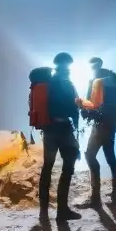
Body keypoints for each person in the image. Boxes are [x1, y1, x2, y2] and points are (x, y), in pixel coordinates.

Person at [38, 52, 82, 222]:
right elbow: (72, 106)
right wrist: (77, 108)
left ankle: (43, 212)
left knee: (47, 167)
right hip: (63, 128)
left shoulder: (48, 82)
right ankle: (61, 211)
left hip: (48, 129)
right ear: (66, 65)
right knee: (68, 166)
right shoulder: (65, 82)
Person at [75, 57, 116, 208]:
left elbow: (94, 104)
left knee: (89, 155)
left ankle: (95, 198)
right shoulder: (112, 78)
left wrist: (80, 102)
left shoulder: (97, 81)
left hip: (101, 124)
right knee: (110, 156)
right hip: (112, 123)